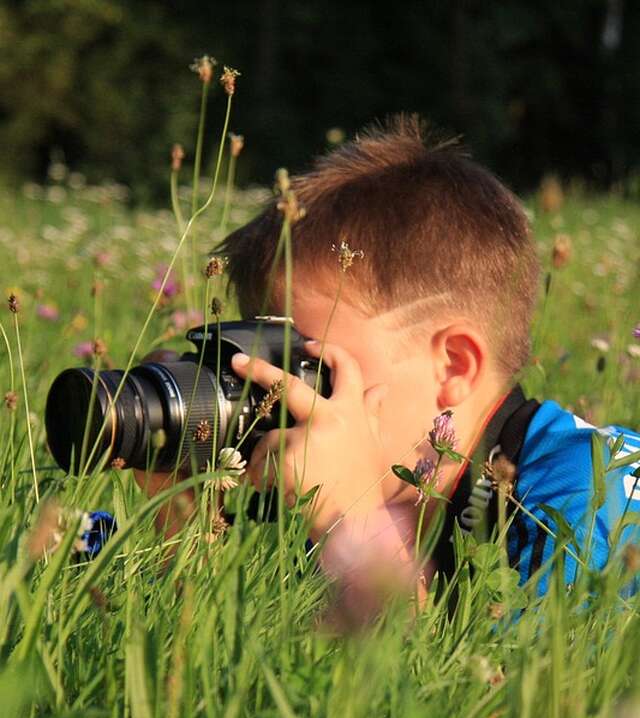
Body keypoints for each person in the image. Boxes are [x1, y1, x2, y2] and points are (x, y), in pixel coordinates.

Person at [136, 115, 640, 618]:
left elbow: (507, 692)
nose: (279, 395)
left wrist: (350, 524)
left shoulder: (590, 503)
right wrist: (184, 531)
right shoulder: (350, 497)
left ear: (453, 366)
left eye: (309, 364)